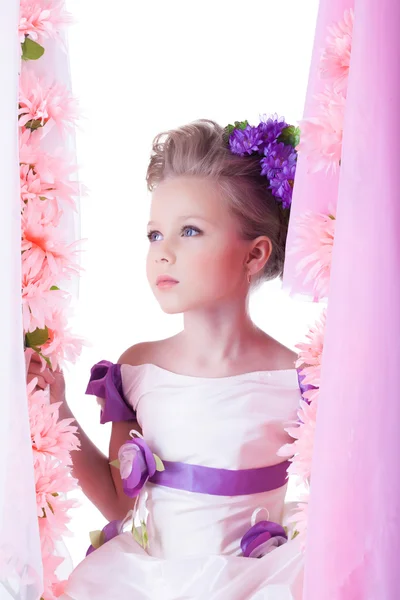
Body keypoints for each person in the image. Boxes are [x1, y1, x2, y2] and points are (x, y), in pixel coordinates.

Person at [29, 117, 305, 599]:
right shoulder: (138, 369)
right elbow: (120, 504)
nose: (164, 253)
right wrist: (59, 408)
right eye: (155, 235)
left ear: (255, 254)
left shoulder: (296, 380)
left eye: (191, 231)